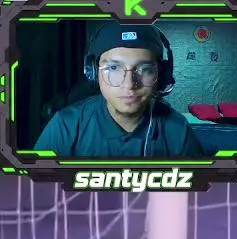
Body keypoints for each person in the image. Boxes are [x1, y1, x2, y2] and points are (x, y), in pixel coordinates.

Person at [34, 23, 204, 158]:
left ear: (161, 74)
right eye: (114, 68)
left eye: (144, 69)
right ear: (93, 72)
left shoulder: (178, 130)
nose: (129, 84)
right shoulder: (65, 126)